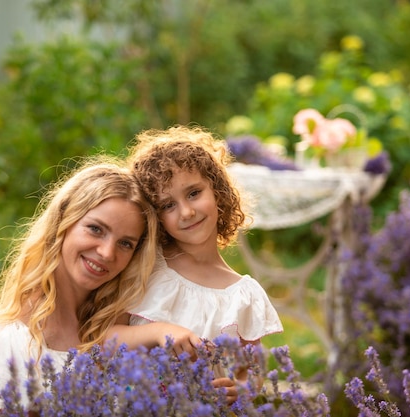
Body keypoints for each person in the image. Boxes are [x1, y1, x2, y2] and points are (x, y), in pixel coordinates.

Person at [0, 159, 159, 411]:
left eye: (125, 243)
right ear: (63, 221)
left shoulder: (118, 331)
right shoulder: (14, 340)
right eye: (95, 229)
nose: (106, 252)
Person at [107, 125, 284, 399]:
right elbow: (104, 339)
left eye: (193, 193)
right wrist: (160, 331)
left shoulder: (243, 296)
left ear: (217, 190)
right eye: (168, 205)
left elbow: (253, 370)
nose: (187, 212)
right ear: (155, 216)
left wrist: (241, 389)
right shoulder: (147, 268)